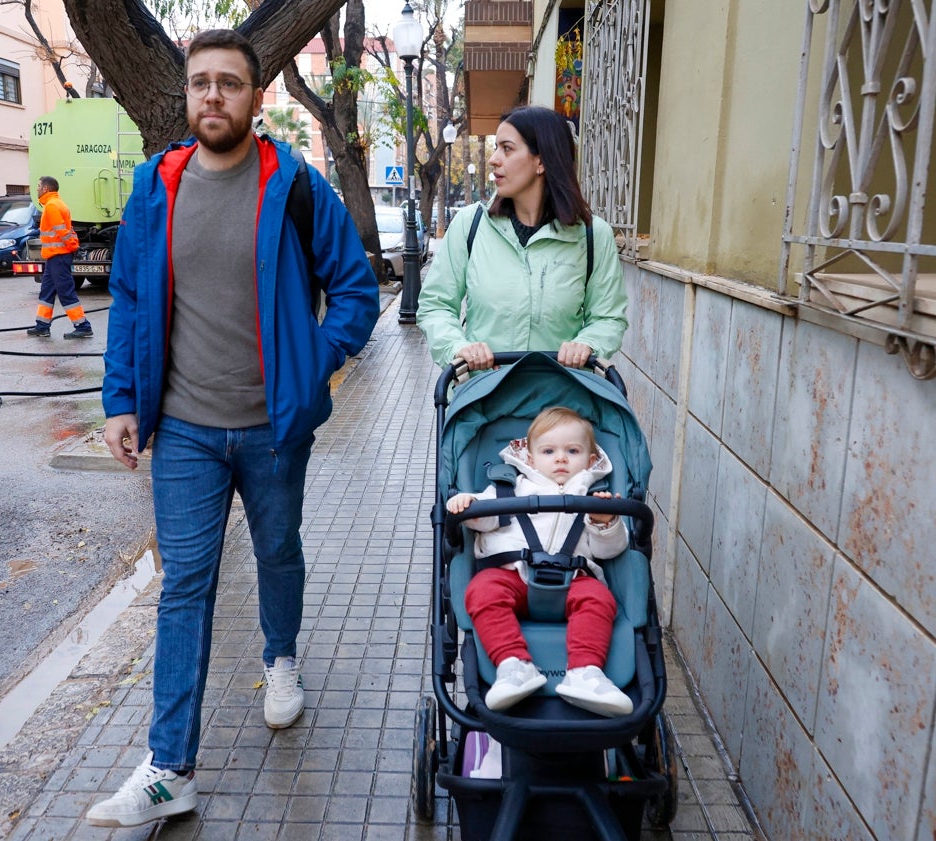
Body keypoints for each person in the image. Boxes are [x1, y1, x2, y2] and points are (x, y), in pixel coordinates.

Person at [88, 29, 378, 828]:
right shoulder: (157, 185)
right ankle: (170, 767)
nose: (212, 95)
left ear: (257, 96)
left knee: (278, 549)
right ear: (186, 96)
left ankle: (280, 659)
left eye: (229, 83)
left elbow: (356, 291)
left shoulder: (294, 186)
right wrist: (120, 401)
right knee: (184, 586)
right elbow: (132, 301)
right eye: (199, 83)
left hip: (272, 428)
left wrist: (310, 366)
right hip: (182, 428)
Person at [448, 406, 634, 718]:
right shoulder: (510, 488)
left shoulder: (595, 496)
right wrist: (470, 504)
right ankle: (514, 665)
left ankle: (586, 673)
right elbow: (484, 520)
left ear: (590, 460)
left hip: (572, 581)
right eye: (549, 451)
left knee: (600, 598)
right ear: (531, 459)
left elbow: (608, 551)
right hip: (511, 577)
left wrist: (606, 523)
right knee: (481, 590)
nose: (561, 458)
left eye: (572, 451)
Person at [417, 105, 627, 371]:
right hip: (483, 399)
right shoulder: (470, 225)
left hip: (559, 400)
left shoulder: (591, 235)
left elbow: (608, 317)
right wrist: (458, 347)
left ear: (541, 160)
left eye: (507, 148)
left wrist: (587, 344)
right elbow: (435, 305)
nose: (493, 159)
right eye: (495, 148)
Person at [27, 176, 92, 339]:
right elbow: (67, 230)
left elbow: (62, 232)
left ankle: (82, 326)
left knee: (65, 291)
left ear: (46, 189)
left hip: (59, 256)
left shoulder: (51, 206)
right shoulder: (58, 204)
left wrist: (73, 247)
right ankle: (42, 325)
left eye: (38, 186)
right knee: (47, 290)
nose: (37, 189)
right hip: (54, 256)